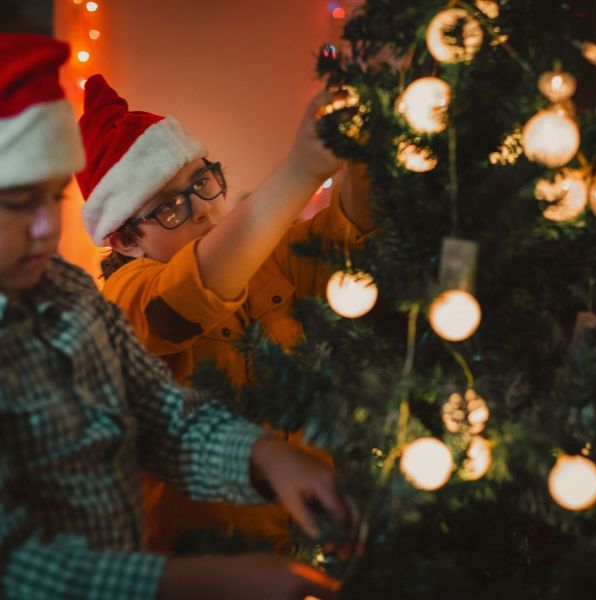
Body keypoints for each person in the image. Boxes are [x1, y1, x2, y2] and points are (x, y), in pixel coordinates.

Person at [0, 33, 346, 599]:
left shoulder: (63, 295)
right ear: (123, 237)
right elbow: (18, 570)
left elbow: (165, 418)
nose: (44, 229)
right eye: (18, 206)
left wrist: (266, 457)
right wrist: (204, 581)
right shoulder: (126, 294)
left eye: (50, 201)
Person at [76, 69, 373, 552]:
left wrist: (359, 155)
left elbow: (348, 242)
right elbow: (185, 301)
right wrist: (300, 169)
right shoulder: (120, 303)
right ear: (124, 240)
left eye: (203, 182)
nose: (203, 209)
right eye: (170, 207)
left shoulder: (263, 256)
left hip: (309, 546)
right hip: (202, 566)